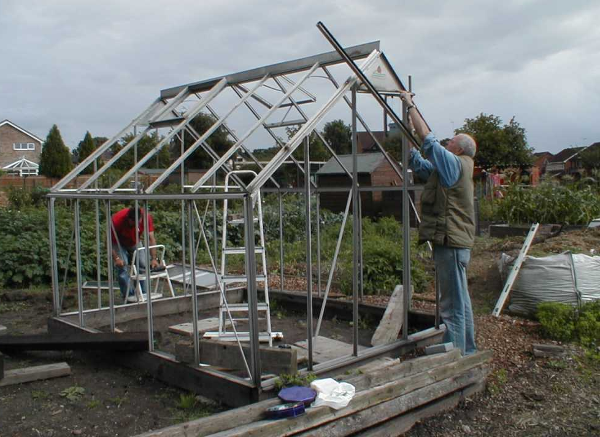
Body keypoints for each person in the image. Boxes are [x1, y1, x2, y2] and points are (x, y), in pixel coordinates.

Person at [400, 91, 477, 356]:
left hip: (452, 241)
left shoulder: (456, 164)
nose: (447, 142)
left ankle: (457, 356)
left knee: (452, 304)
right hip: (452, 241)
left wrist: (410, 106)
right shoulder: (448, 170)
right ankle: (465, 349)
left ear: (459, 148)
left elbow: (430, 142)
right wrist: (406, 134)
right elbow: (421, 165)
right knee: (460, 300)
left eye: (451, 141)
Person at [111, 206, 160, 302]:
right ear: (128, 219)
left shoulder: (146, 217)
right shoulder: (116, 220)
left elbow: (151, 238)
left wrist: (154, 258)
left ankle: (144, 295)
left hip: (134, 241)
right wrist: (116, 258)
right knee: (122, 267)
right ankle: (129, 297)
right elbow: (108, 242)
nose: (133, 226)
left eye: (136, 224)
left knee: (143, 264)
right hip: (118, 242)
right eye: (132, 224)